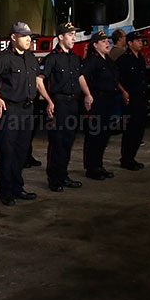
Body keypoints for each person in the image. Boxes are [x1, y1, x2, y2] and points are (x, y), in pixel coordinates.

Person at [0, 22, 40, 206]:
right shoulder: (3, 58)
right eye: (24, 36)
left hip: (28, 110)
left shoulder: (30, 58)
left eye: (29, 36)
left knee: (22, 151)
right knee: (7, 151)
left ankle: (17, 187)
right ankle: (5, 191)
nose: (29, 39)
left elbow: (37, 81)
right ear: (13, 38)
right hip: (10, 110)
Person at [36, 22, 93, 192]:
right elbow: (39, 80)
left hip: (73, 103)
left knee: (68, 141)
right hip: (58, 103)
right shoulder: (52, 58)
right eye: (70, 35)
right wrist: (49, 101)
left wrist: (88, 94)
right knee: (57, 142)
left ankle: (63, 175)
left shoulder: (75, 58)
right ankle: (54, 178)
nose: (74, 38)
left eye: (74, 35)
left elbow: (80, 77)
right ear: (61, 37)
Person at [81, 30, 119, 180]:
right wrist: (87, 94)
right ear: (95, 45)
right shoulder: (92, 60)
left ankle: (99, 165)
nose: (107, 43)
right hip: (98, 101)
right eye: (103, 41)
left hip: (110, 100)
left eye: (108, 41)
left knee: (104, 135)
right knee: (94, 135)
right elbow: (81, 76)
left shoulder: (108, 60)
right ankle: (92, 168)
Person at [116, 30, 146, 170]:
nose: (141, 43)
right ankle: (126, 159)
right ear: (130, 43)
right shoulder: (124, 60)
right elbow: (116, 79)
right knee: (130, 130)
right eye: (138, 41)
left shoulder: (140, 58)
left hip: (141, 97)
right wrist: (123, 92)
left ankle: (132, 157)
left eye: (141, 41)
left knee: (139, 129)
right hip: (129, 99)